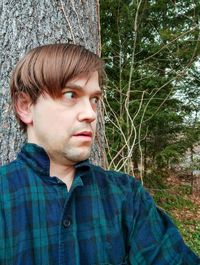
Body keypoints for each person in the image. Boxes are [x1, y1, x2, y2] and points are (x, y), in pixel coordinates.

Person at [0, 43, 199, 265]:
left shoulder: (127, 196)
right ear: (25, 106)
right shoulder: (4, 197)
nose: (90, 113)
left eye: (94, 99)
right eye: (70, 94)